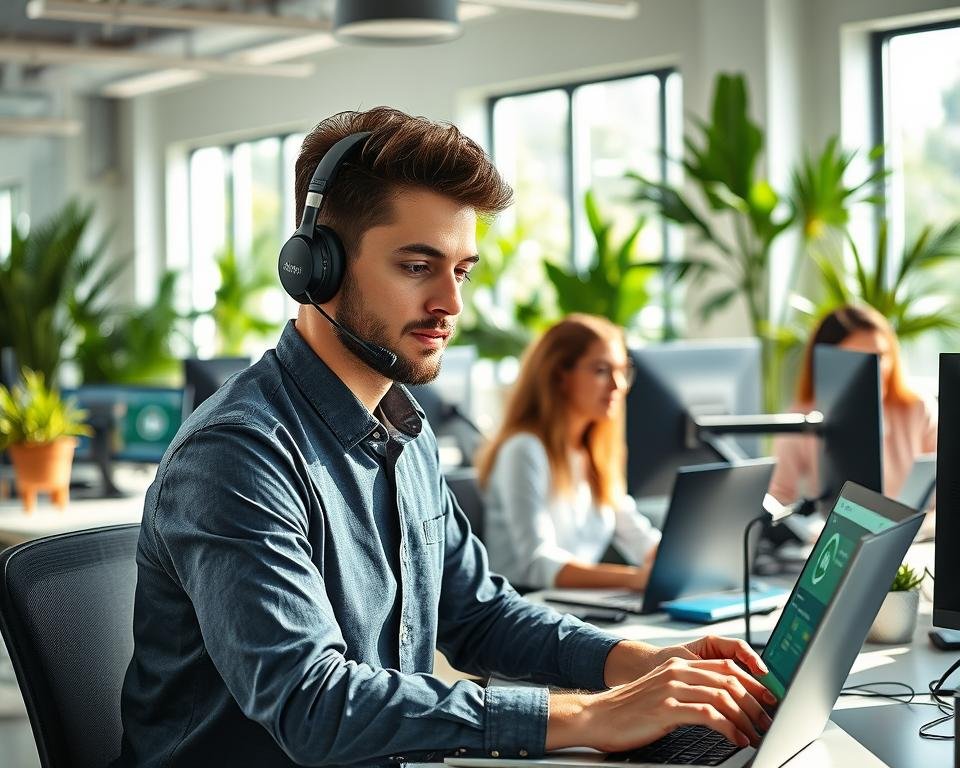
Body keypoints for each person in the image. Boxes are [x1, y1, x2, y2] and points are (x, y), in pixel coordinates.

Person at [117, 107, 774, 767]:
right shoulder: (237, 455)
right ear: (314, 267)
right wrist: (595, 715)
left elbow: (479, 613)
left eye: (460, 271)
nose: (451, 304)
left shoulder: (404, 430)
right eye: (416, 266)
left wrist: (637, 662)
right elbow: (312, 705)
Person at [477, 314, 660, 591]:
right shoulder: (524, 449)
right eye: (601, 370)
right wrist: (634, 579)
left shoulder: (594, 454)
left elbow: (638, 537)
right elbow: (537, 563)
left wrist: (677, 560)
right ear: (559, 375)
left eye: (622, 371)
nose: (618, 385)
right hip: (527, 605)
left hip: (575, 606)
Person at [769, 304, 938, 506]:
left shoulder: (917, 407)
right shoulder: (803, 420)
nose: (875, 370)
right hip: (840, 534)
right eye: (861, 359)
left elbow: (944, 485)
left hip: (915, 533)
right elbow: (778, 497)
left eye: (881, 356)